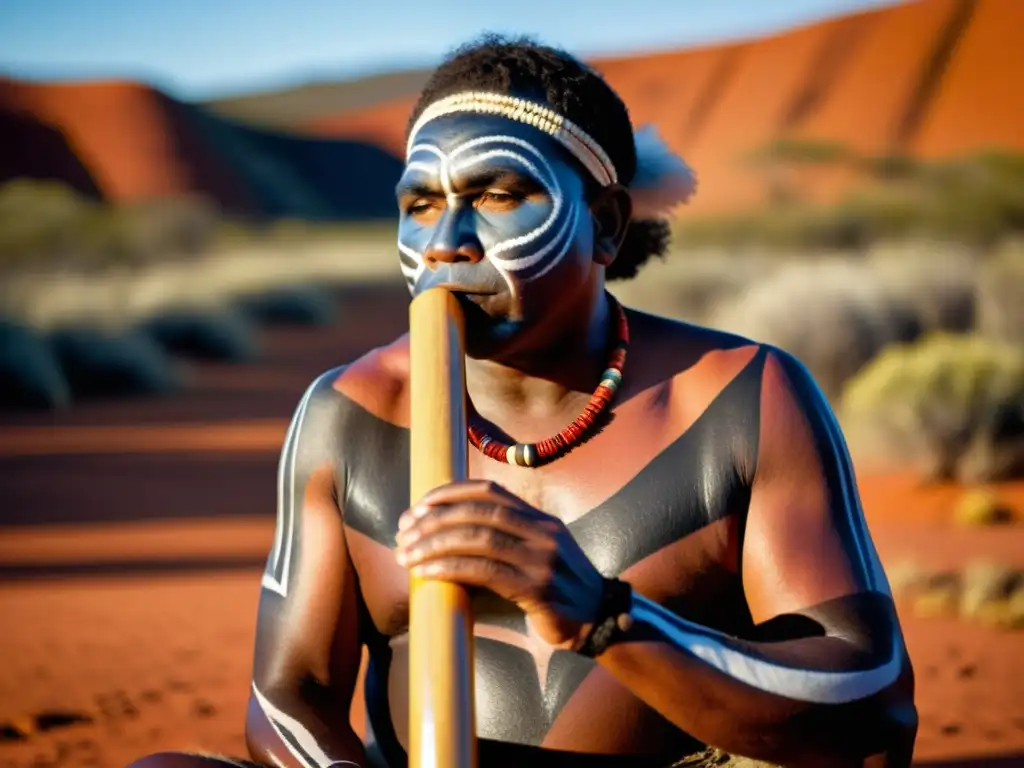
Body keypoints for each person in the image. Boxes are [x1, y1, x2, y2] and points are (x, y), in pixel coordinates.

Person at [129, 34, 917, 768]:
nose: (446, 241)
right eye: (421, 205)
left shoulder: (740, 394)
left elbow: (873, 696)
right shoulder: (348, 414)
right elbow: (288, 691)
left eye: (498, 195)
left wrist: (609, 619)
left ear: (604, 226)